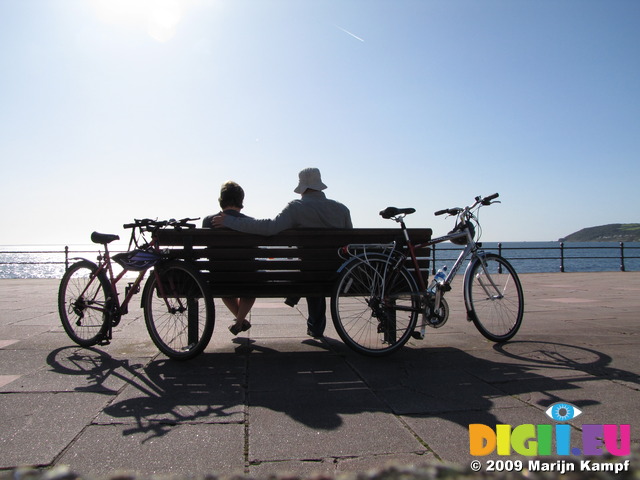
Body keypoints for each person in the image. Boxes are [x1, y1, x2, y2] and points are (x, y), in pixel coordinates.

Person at [212, 168, 352, 338]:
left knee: (308, 267)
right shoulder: (342, 209)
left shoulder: (296, 208)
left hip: (308, 274)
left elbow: (269, 228)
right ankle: (311, 322)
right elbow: (349, 244)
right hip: (336, 274)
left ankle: (298, 303)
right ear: (320, 185)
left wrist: (231, 221)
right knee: (315, 268)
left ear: (302, 187)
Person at [203, 181, 256, 336]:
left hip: (218, 277)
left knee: (225, 291)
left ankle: (240, 321)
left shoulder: (208, 221)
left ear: (222, 200)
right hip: (248, 278)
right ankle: (240, 321)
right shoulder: (250, 222)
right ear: (241, 200)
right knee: (249, 290)